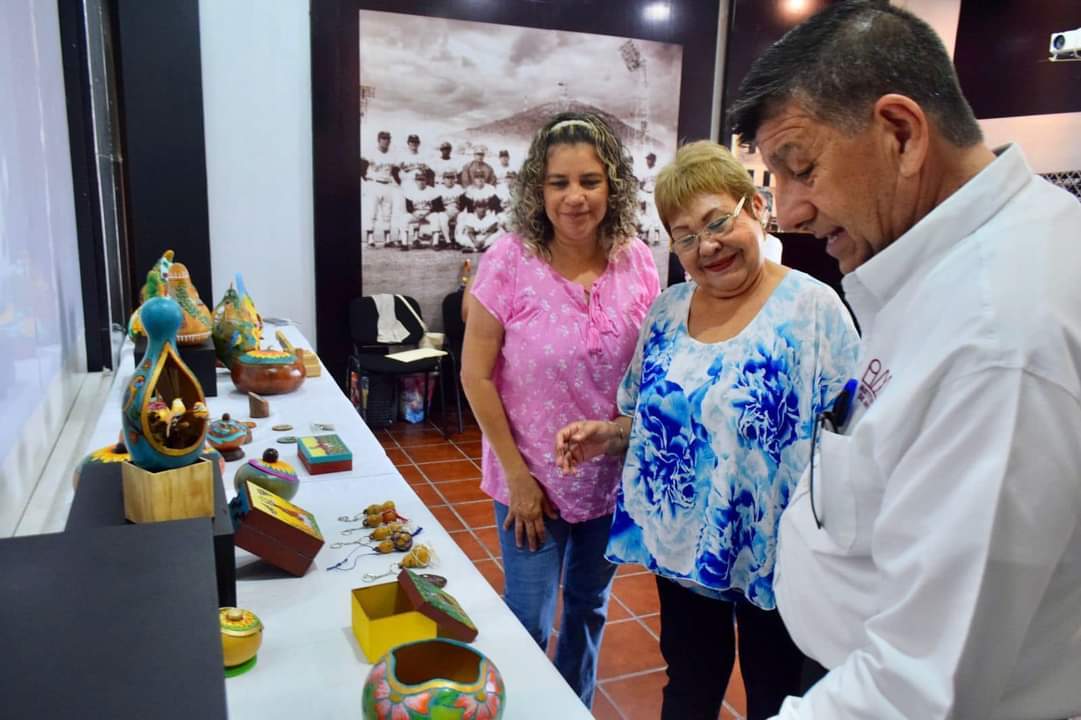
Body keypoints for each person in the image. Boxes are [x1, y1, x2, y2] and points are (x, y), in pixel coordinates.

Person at [726, 2, 1081, 718]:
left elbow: (920, 689)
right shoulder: (939, 266)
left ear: (901, 133)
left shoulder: (996, 339)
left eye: (800, 169)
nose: (788, 212)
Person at [555, 140, 859, 720]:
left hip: (778, 552)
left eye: (718, 221)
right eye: (686, 236)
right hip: (684, 547)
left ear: (756, 208)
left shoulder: (813, 309)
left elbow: (856, 438)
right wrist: (609, 434)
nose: (707, 245)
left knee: (777, 692)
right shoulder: (668, 309)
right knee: (690, 683)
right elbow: (642, 414)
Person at [460, 111, 660, 708]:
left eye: (590, 181)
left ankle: (574, 704)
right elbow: (474, 375)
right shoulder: (509, 260)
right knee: (527, 616)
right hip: (531, 486)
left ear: (613, 186)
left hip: (608, 482)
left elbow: (649, 368)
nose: (575, 197)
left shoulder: (638, 262)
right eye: (559, 182)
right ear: (537, 189)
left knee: (588, 610)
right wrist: (519, 480)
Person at [363, 130, 404, 247]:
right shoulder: (371, 152)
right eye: (383, 138)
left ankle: (387, 239)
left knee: (387, 213)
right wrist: (365, 179)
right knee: (372, 211)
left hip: (387, 184)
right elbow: (361, 164)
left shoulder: (393, 154)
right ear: (379, 140)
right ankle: (370, 238)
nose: (386, 141)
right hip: (373, 183)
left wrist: (399, 183)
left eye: (388, 138)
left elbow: (395, 170)